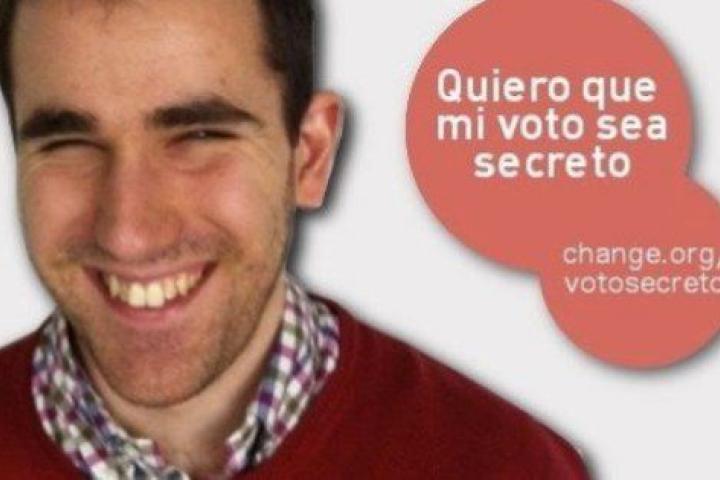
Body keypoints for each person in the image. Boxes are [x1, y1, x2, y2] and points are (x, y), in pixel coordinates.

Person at [0, 0, 589, 478]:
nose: (128, 233)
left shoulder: (512, 467)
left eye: (200, 136)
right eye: (67, 144)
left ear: (309, 155)